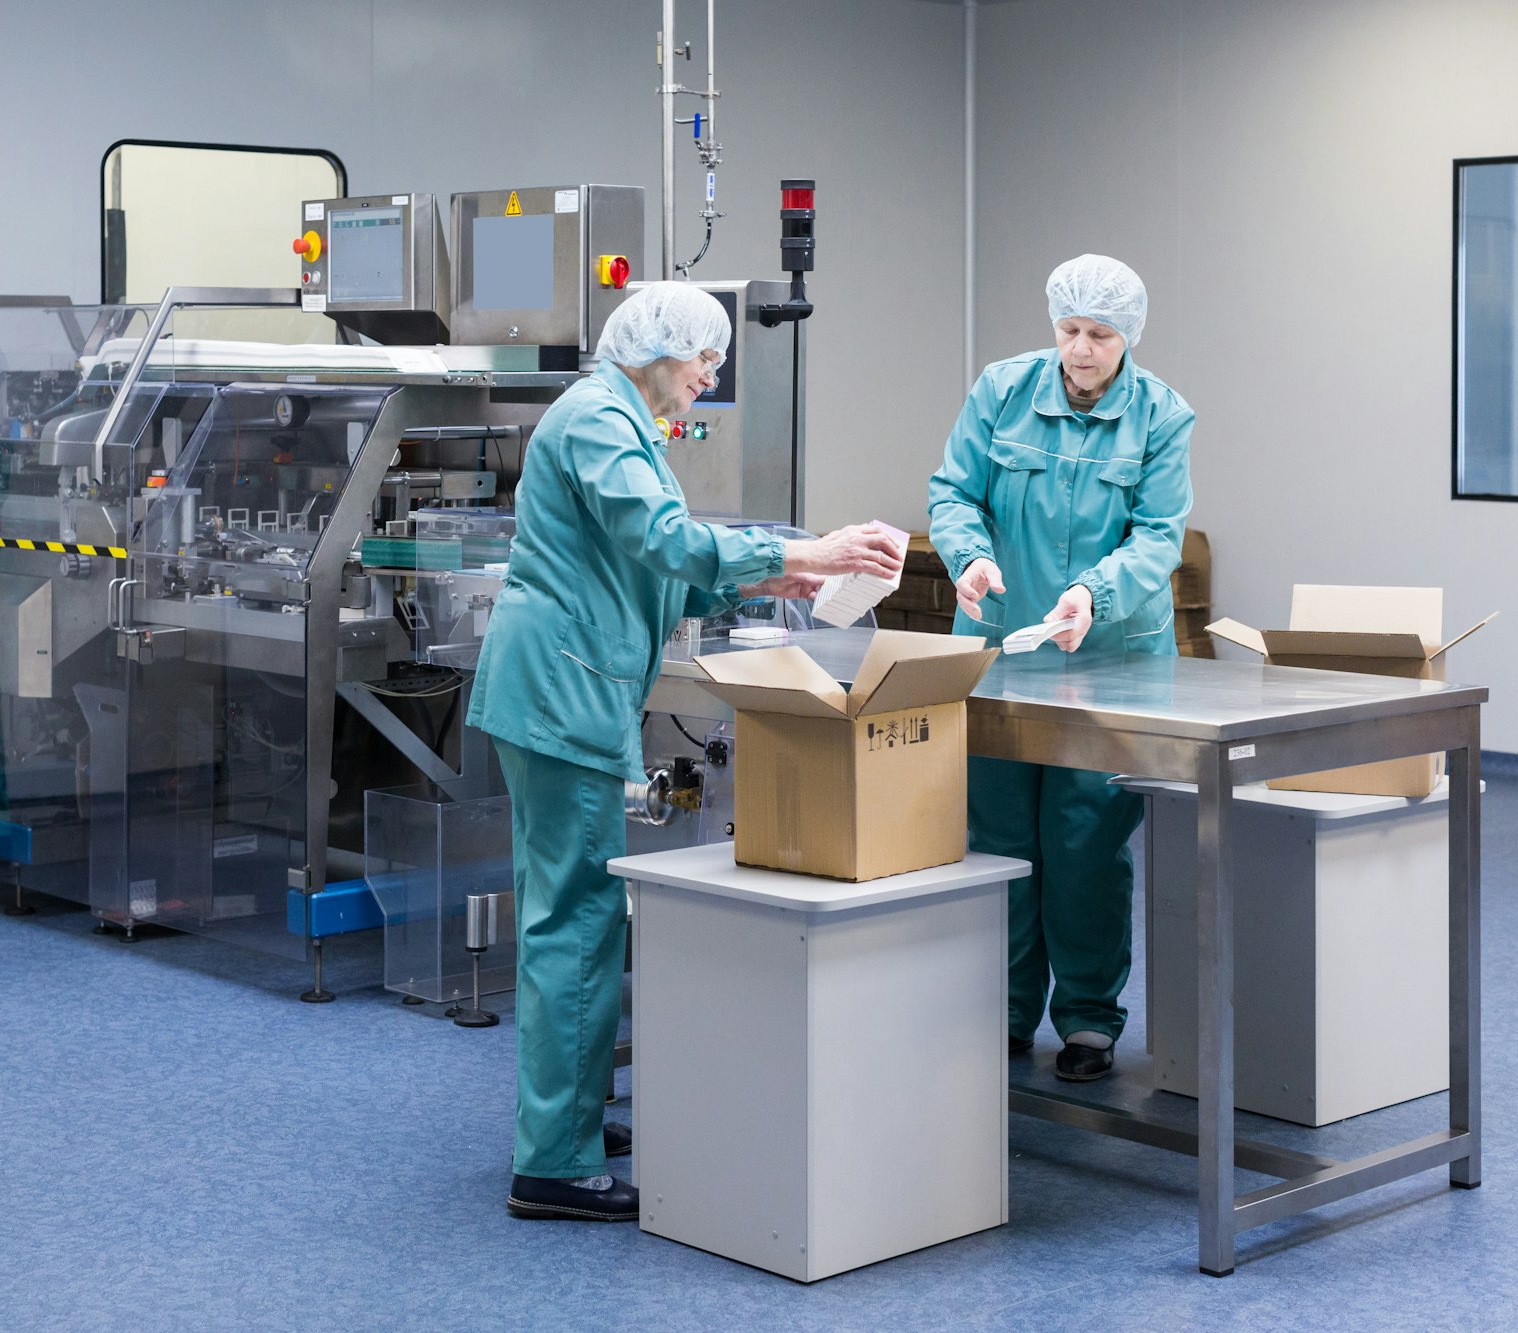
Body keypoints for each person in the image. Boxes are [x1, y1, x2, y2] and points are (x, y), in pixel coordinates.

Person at [466, 282, 905, 1221]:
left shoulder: (618, 420)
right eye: (707, 360)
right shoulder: (595, 419)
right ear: (660, 348)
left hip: (572, 683)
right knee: (578, 920)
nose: (711, 378)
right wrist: (809, 552)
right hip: (562, 690)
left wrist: (788, 568)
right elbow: (659, 536)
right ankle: (553, 1160)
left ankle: (570, 1113)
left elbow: (641, 560)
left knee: (574, 909)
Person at [927, 254, 1194, 1081]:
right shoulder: (1002, 390)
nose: (1081, 350)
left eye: (1100, 335)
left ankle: (1087, 1020)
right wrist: (967, 558)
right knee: (999, 836)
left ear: (1129, 338)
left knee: (1085, 842)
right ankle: (1004, 1009)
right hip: (1005, 648)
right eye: (1070, 331)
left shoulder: (1163, 417)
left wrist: (1093, 593)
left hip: (1110, 657)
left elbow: (1158, 537)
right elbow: (952, 493)